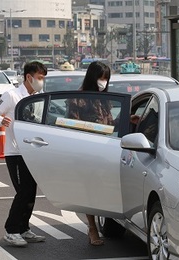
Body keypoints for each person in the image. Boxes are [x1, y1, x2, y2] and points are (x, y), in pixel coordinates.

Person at [0, 61, 47, 247]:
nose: (41, 81)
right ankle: (11, 230)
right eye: (39, 78)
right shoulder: (12, 95)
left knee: (31, 192)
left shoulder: (39, 97)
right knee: (22, 192)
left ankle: (23, 228)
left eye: (43, 78)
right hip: (15, 152)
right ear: (28, 77)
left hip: (33, 151)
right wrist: (1, 120)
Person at [66, 61, 112, 246]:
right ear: (93, 78)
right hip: (86, 151)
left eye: (106, 79)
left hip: (107, 149)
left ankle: (105, 223)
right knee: (90, 191)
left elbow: (109, 124)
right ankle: (92, 228)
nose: (103, 82)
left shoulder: (106, 98)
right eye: (101, 78)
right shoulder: (78, 99)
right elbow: (72, 125)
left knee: (104, 190)